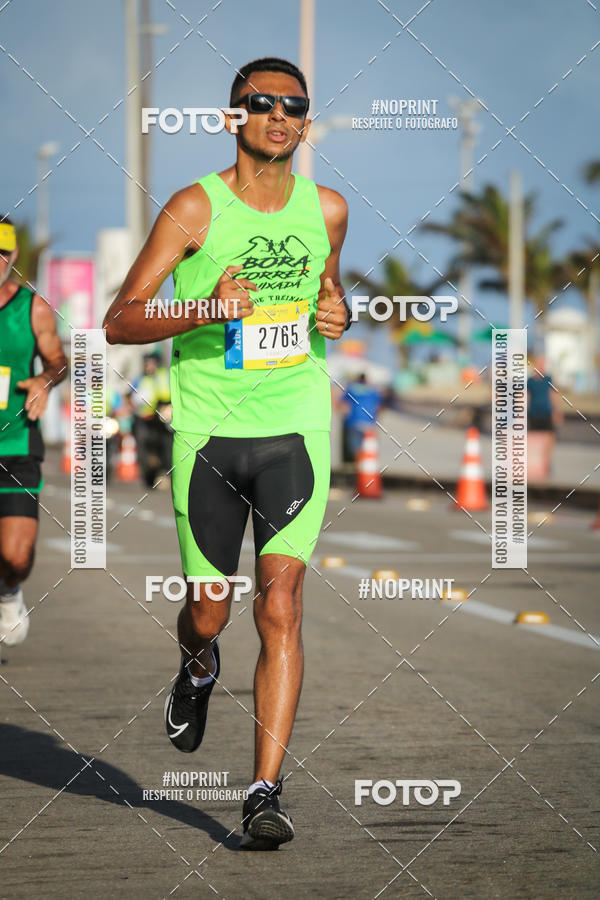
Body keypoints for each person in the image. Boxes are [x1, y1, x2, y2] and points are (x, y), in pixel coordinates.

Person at [104, 57, 350, 848]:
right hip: (210, 433)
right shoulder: (193, 208)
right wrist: (209, 305)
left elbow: (327, 293)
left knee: (280, 606)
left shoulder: (331, 209)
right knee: (209, 613)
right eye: (263, 104)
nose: (280, 115)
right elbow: (120, 320)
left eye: (295, 106)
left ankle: (263, 792)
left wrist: (335, 308)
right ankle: (198, 664)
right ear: (233, 116)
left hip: (296, 428)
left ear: (306, 121)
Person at [0, 216, 67, 647]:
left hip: (17, 444)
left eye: (3, 253)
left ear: (14, 256)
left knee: (16, 556)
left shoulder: (33, 307)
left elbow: (57, 360)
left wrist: (45, 380)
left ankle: (8, 591)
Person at [131, 351, 173, 487]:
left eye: (151, 363)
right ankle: (148, 473)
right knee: (142, 443)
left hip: (163, 416)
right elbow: (132, 396)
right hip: (145, 418)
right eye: (146, 363)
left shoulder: (164, 375)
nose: (149, 366)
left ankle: (168, 472)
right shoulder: (140, 379)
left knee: (168, 444)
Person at [340, 373, 384, 461]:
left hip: (353, 422)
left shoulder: (351, 389)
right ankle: (363, 467)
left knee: (356, 449)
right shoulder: (373, 390)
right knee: (368, 448)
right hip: (369, 423)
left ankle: (358, 468)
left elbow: (341, 403)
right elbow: (380, 406)